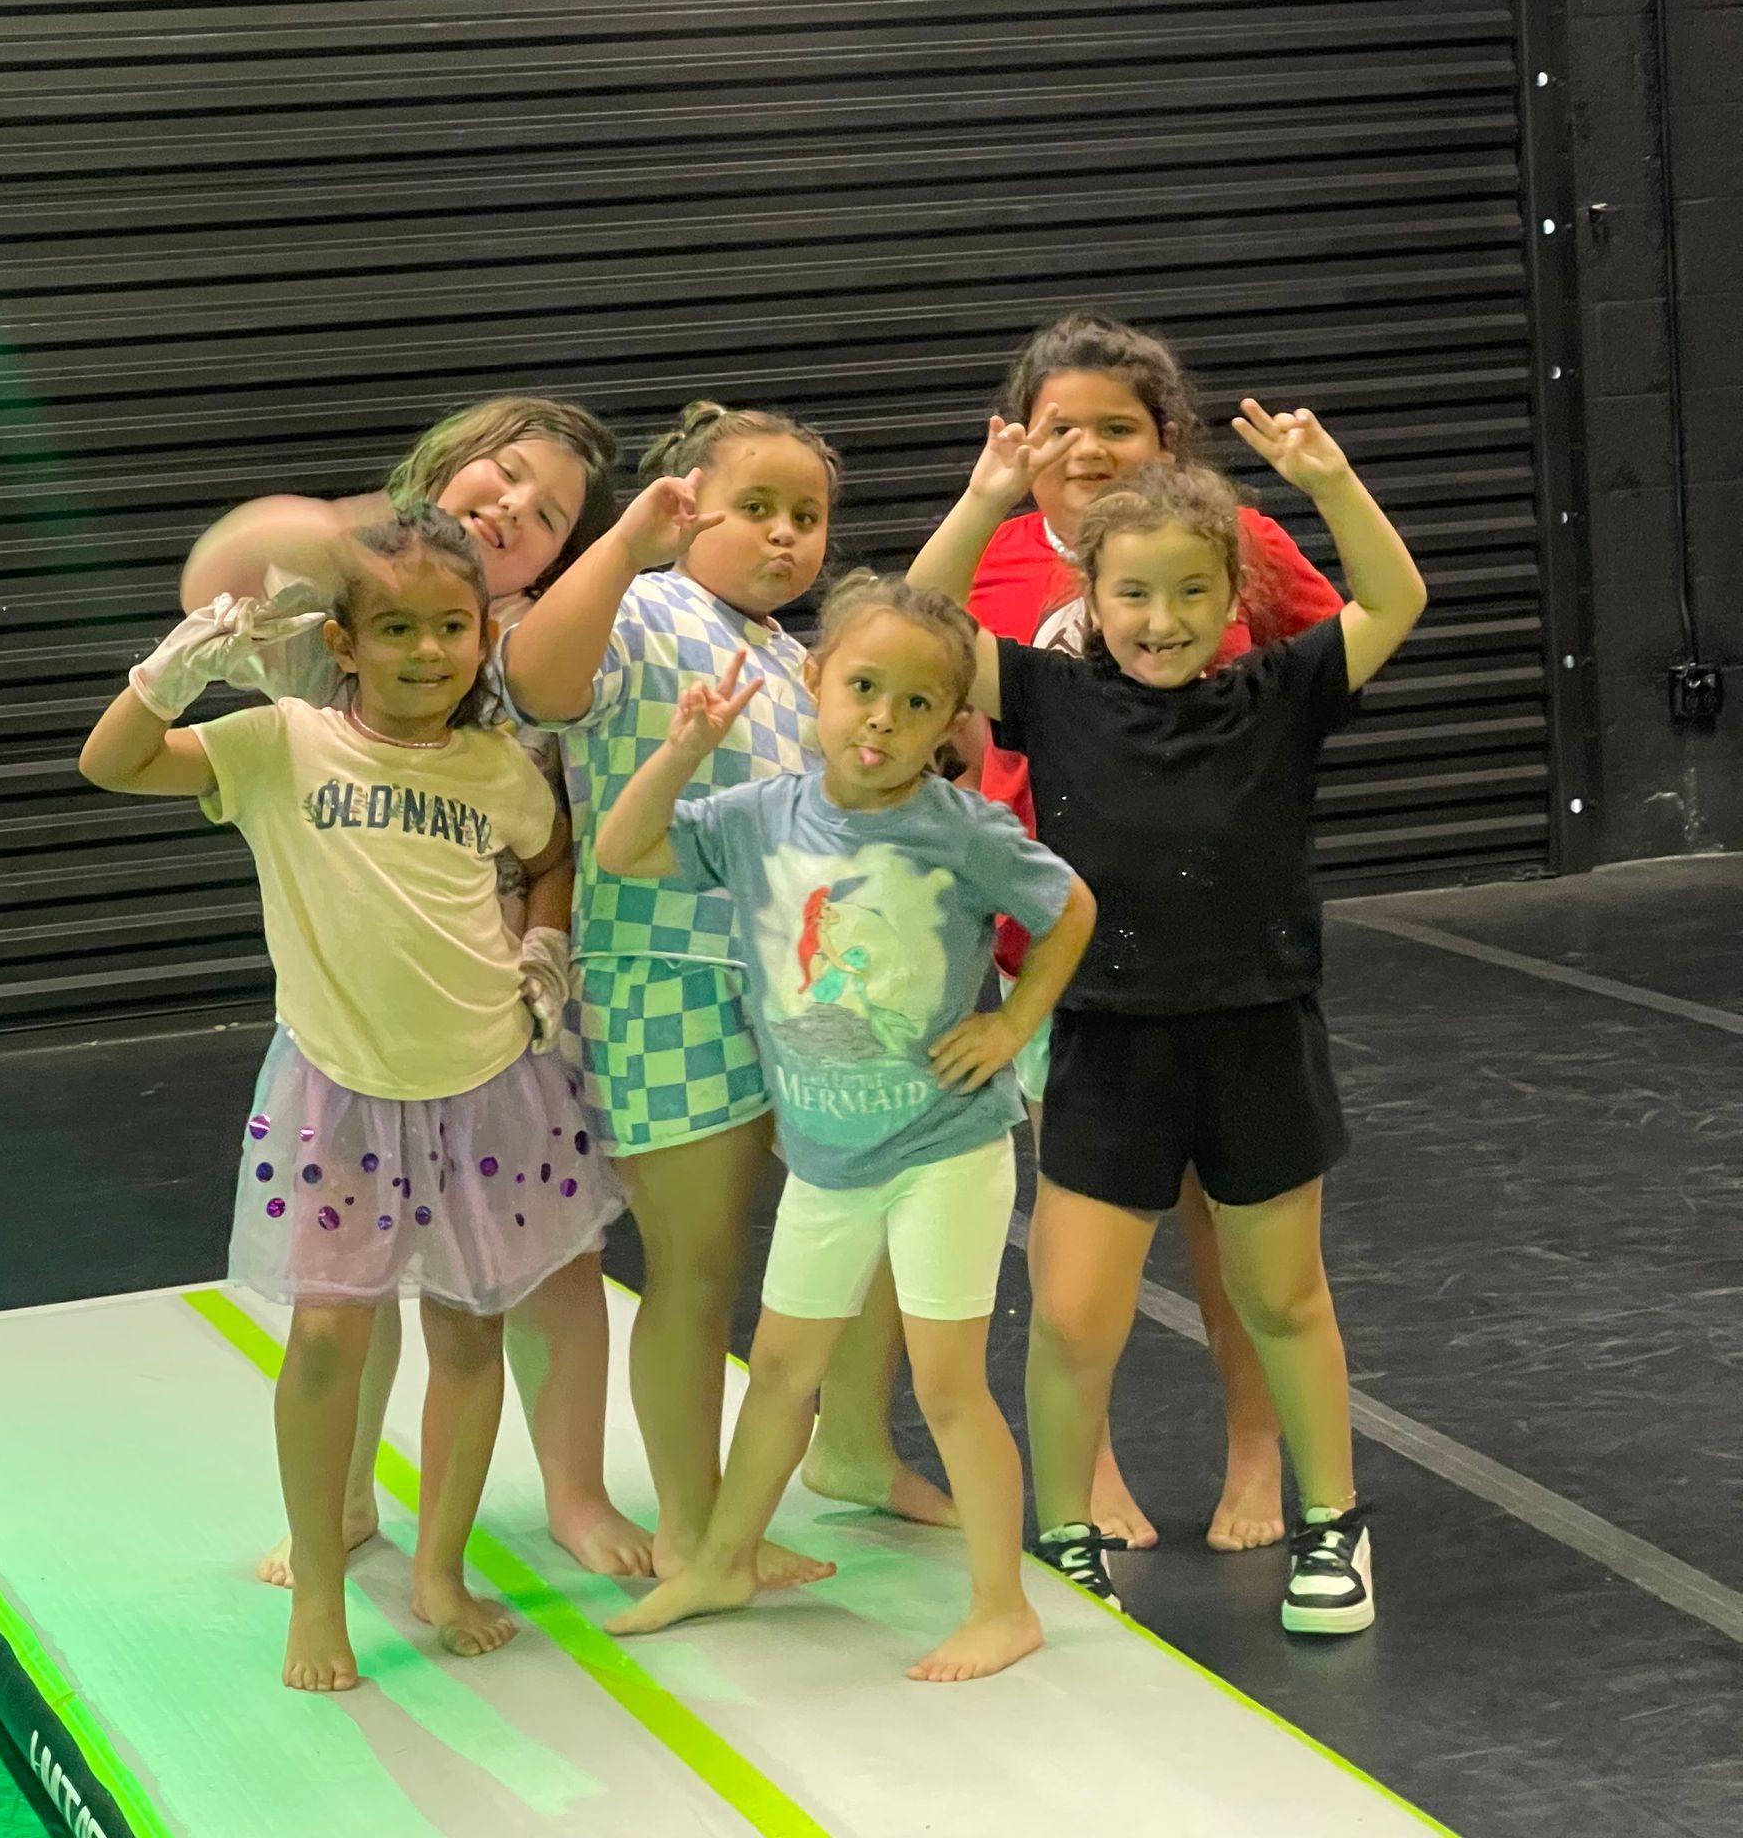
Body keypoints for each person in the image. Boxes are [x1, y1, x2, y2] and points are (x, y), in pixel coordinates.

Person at [80, 508, 625, 1690]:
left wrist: (546, 940)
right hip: (340, 1095)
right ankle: (323, 1584)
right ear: (343, 640)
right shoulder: (280, 744)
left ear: (483, 635)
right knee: (329, 1339)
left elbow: (552, 853)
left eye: (452, 627)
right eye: (397, 629)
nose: (428, 651)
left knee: (470, 1333)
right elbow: (113, 763)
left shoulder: (497, 767)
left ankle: (440, 1571)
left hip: (488, 1088)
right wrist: (166, 675)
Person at [912, 400, 1427, 1633]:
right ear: (1091, 597)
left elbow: (1395, 599)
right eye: (1134, 594)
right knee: (1073, 1312)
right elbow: (925, 624)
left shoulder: (1280, 689)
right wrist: (984, 499)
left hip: (1257, 1034)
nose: (1163, 618)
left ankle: (1333, 1521)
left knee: (1282, 1296)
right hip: (1106, 1039)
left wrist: (1332, 478)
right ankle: (1066, 1533)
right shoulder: (1051, 695)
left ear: (1232, 595)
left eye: (1193, 592)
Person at [182, 395, 654, 1582]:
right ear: (447, 465)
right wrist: (345, 534)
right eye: (502, 475)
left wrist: (544, 946)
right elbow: (215, 576)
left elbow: (553, 829)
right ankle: (341, 1500)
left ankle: (576, 1491)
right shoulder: (338, 606)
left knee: (549, 1263)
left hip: (505, 1014)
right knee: (353, 1281)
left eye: (550, 515)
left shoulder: (536, 638)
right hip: (363, 1014)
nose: (516, 509)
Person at [592, 574, 1095, 1682]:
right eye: (864, 688)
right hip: (826, 1158)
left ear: (950, 723)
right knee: (780, 1370)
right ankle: (724, 1561)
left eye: (918, 705)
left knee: (947, 1382)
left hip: (942, 1149)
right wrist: (680, 751)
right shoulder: (758, 817)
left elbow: (1070, 908)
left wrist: (1013, 1023)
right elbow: (623, 849)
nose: (883, 720)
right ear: (815, 682)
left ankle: (1002, 1604)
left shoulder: (962, 830)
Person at [496, 402, 954, 1584]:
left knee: (868, 1215)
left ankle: (851, 1447)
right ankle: (696, 1525)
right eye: (758, 507)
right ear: (686, 505)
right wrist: (626, 545)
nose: (788, 534)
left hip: (793, 988)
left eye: (809, 515)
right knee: (696, 1268)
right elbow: (537, 679)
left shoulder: (792, 658)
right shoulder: (641, 609)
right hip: (663, 982)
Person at [966, 313, 1342, 1558]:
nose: (1086, 448)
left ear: (1165, 435)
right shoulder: (999, 559)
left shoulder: (1244, 542)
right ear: (1020, 438)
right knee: (1085, 1247)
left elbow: (1328, 650)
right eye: (1059, 426)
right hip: (1058, 956)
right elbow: (922, 646)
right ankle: (1090, 1474)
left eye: (1115, 426)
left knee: (1238, 1239)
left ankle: (1258, 1448)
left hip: (1218, 954)